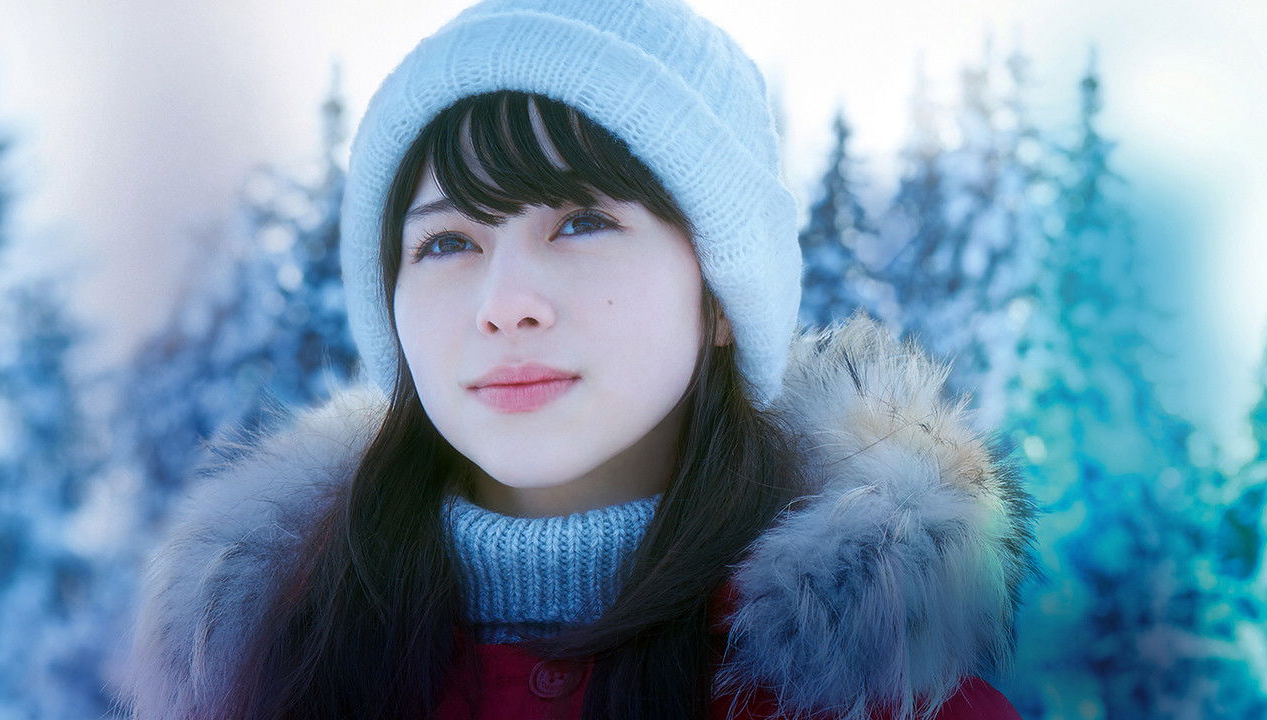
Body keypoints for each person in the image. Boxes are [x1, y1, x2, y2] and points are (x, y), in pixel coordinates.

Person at [112, 1, 1040, 718]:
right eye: (447, 243)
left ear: (722, 294)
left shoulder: (887, 702)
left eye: (582, 222)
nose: (504, 302)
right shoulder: (256, 682)